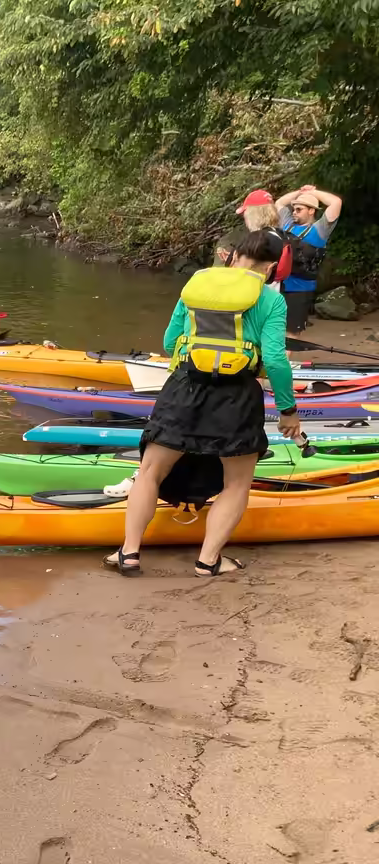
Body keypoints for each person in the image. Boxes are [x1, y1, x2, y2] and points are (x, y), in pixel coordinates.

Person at [104, 230, 301, 578]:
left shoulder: (197, 285)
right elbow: (274, 359)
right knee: (236, 483)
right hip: (236, 396)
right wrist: (288, 411)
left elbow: (169, 342)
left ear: (233, 255)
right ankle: (208, 561)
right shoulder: (271, 301)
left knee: (150, 472)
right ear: (271, 267)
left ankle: (129, 553)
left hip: (183, 389)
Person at [275, 184, 343, 334]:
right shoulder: (287, 224)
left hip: (300, 289)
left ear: (311, 211)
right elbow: (279, 203)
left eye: (299, 209)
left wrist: (313, 192)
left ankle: (284, 357)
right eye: (294, 209)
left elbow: (336, 202)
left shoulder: (320, 229)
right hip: (279, 286)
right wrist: (300, 192)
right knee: (274, 329)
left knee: (291, 332)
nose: (294, 212)